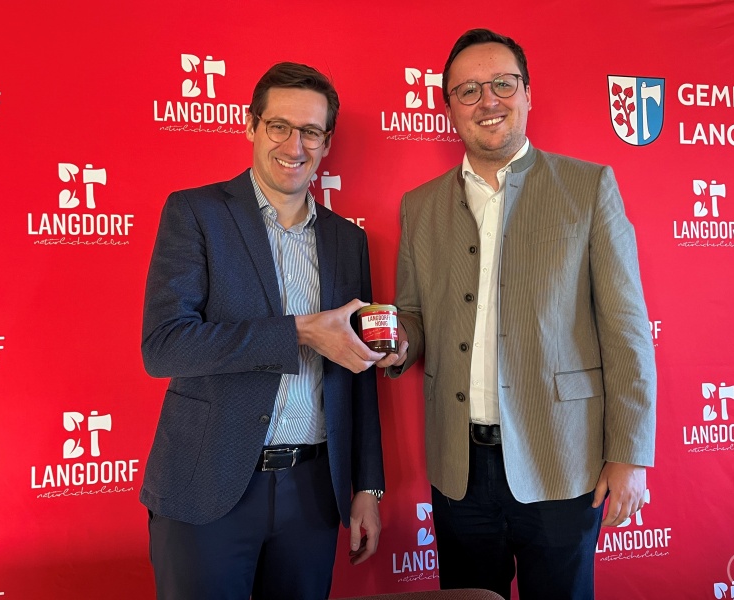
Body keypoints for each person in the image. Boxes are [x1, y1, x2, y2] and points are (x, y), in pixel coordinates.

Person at [377, 29, 656, 600]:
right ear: (448, 106)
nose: (489, 100)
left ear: (527, 94)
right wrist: (395, 340)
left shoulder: (588, 186)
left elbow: (627, 330)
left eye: (503, 83)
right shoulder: (419, 205)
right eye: (469, 90)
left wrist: (629, 455)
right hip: (460, 470)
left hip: (563, 461)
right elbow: (412, 315)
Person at [140, 61, 386, 600]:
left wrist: (366, 486)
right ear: (252, 126)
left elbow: (359, 371)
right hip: (208, 483)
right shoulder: (195, 213)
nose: (294, 145)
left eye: (310, 132)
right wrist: (297, 332)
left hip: (313, 491)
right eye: (279, 126)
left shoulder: (348, 240)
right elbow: (164, 347)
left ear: (327, 141)